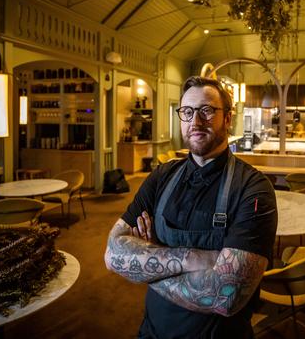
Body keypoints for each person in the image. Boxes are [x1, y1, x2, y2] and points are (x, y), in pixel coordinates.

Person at [105, 76, 278, 339]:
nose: (195, 122)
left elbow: (225, 296)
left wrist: (147, 264)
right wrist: (195, 258)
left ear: (228, 119)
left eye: (206, 111)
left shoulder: (253, 189)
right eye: (187, 112)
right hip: (152, 332)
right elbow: (113, 253)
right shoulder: (161, 176)